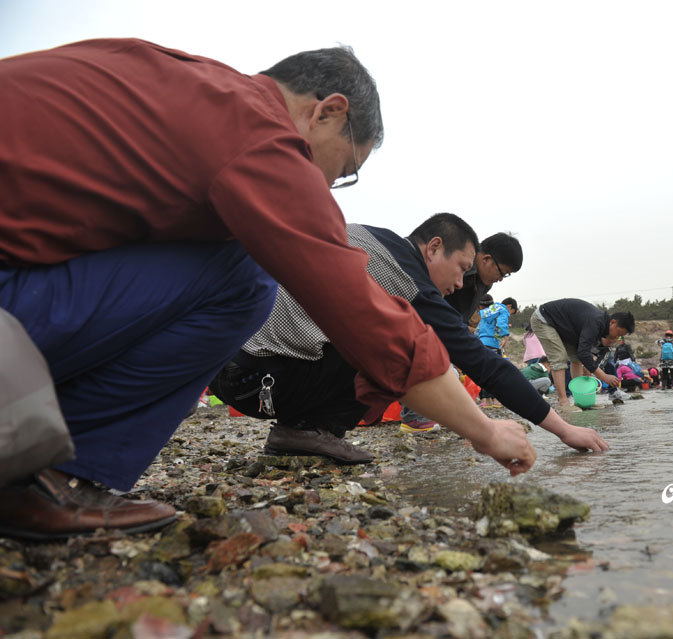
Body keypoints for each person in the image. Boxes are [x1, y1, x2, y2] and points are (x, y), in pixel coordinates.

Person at [0, 40, 535, 539]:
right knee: (243, 275)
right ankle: (54, 474)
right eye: (345, 170)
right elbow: (367, 316)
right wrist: (485, 432)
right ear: (327, 111)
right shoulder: (257, 134)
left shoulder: (170, 77)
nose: (328, 188)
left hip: (26, 277)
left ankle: (42, 445)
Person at [212, 214, 609, 456]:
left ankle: (305, 431)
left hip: (224, 362)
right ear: (434, 247)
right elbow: (483, 363)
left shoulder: (369, 235)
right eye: (460, 267)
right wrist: (562, 428)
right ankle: (307, 430)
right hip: (258, 380)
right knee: (403, 346)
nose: (459, 283)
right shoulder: (408, 282)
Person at [530, 299, 634, 411]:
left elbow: (584, 354)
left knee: (577, 359)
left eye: (620, 337)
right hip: (544, 319)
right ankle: (563, 402)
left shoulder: (601, 327)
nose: (616, 338)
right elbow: (584, 353)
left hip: (565, 327)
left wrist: (590, 366)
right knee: (559, 357)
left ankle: (581, 400)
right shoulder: (596, 321)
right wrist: (604, 376)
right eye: (618, 333)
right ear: (613, 322)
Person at [445, 233, 522, 325]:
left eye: (505, 275)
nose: (500, 279)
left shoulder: (485, 284)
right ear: (486, 259)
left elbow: (460, 317)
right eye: (502, 273)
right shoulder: (454, 257)